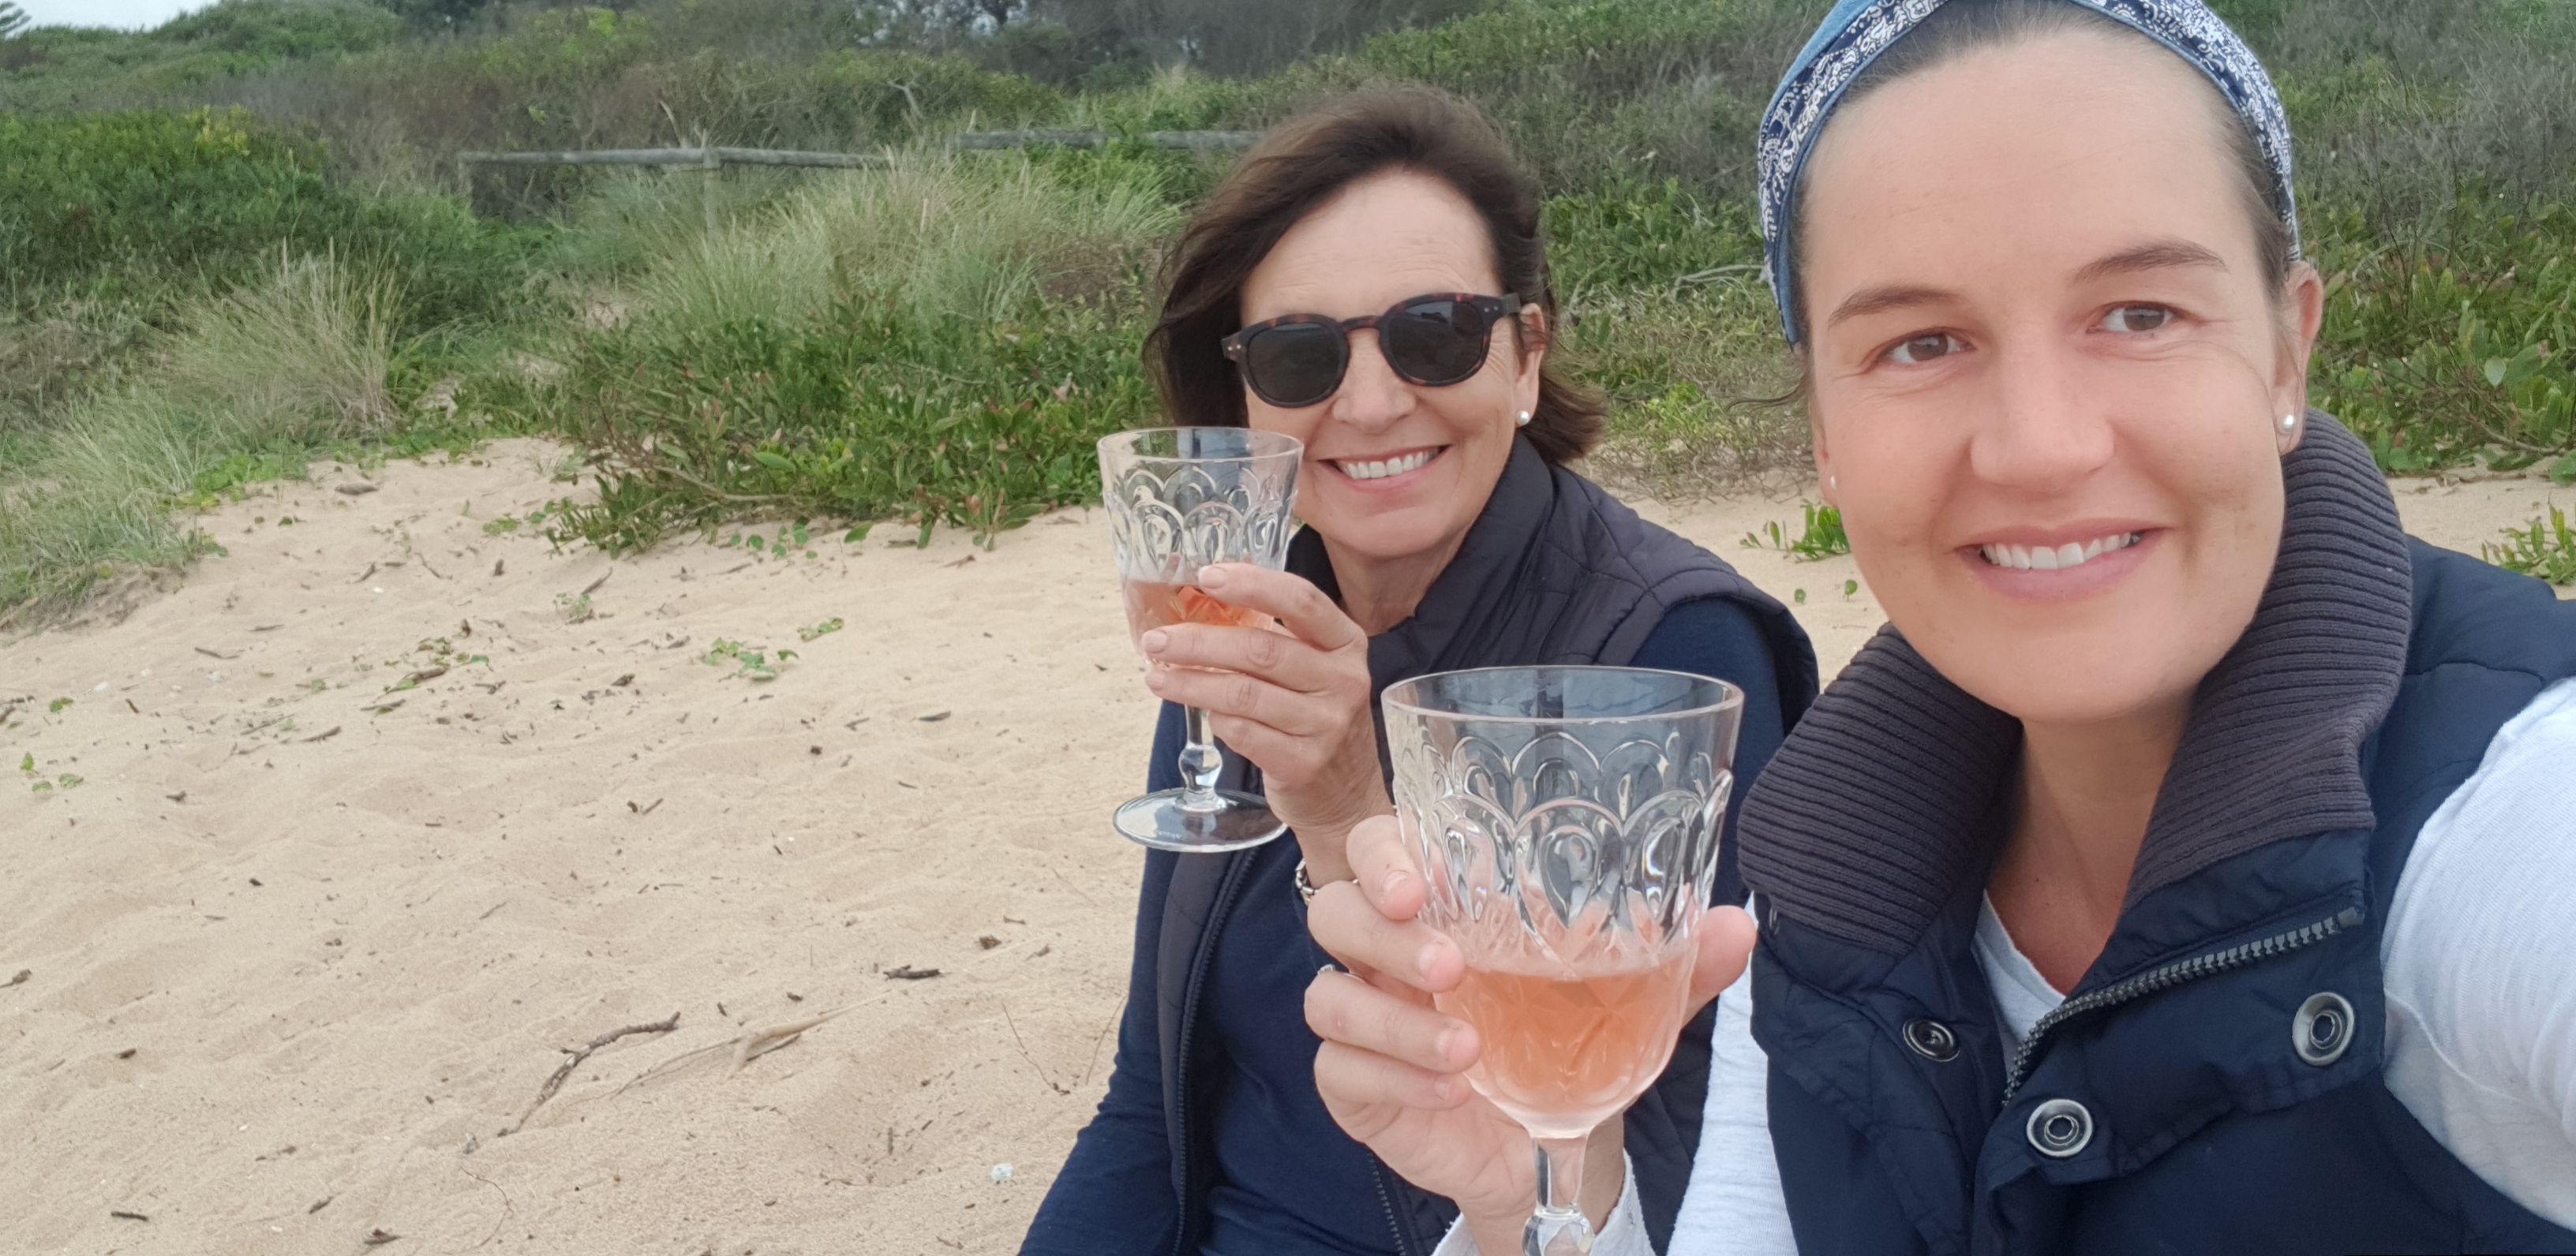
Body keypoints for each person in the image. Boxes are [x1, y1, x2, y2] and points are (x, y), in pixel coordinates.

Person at [1299, 0, 2576, 1252]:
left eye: (2141, 315)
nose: (2039, 445)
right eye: (1921, 344)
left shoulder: (2510, 827)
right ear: (1822, 430)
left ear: (2288, 353)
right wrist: (1536, 1191)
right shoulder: (1831, 869)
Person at [1020, 88, 1818, 1256]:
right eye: (1298, 355)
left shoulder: (1668, 655)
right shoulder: (1251, 622)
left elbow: (1678, 1175)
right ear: (1242, 398)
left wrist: (1348, 804)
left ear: (1527, 355)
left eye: (1433, 334)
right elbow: (1150, 1097)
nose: (1372, 401)